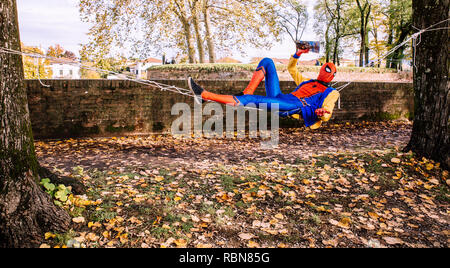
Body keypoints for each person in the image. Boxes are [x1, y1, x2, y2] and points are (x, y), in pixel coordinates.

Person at [188, 47, 340, 130]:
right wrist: (297, 54)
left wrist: (322, 115)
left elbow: (328, 110)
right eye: (324, 69)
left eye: (328, 72)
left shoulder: (332, 92)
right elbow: (292, 68)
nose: (324, 73)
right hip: (282, 98)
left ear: (332, 77)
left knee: (250, 100)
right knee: (267, 62)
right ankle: (248, 90)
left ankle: (204, 95)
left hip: (295, 106)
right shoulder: (307, 81)